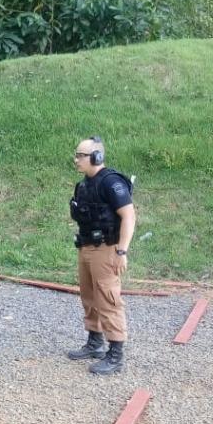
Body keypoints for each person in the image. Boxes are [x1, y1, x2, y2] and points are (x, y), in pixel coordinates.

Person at [66, 136, 136, 374]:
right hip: (86, 247)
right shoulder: (84, 185)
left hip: (106, 248)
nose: (76, 160)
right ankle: (95, 342)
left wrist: (122, 250)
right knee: (89, 296)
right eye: (77, 155)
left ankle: (115, 354)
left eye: (81, 155)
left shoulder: (111, 182)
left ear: (96, 157)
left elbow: (128, 216)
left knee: (108, 299)